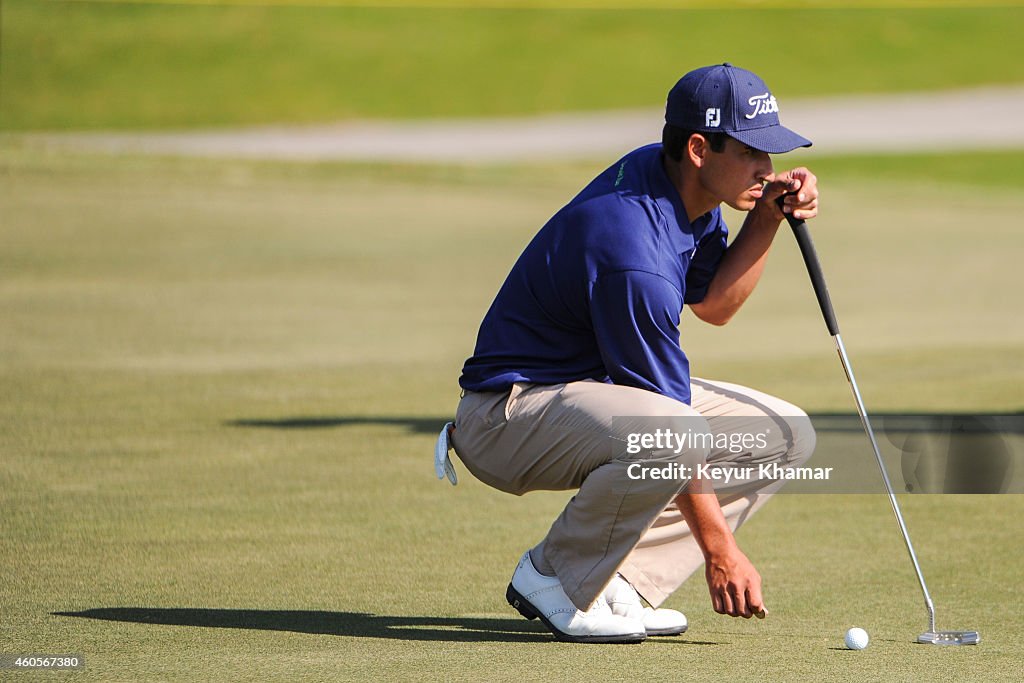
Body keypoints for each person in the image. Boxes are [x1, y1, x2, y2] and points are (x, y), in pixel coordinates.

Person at [435, 63, 819, 644]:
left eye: (769, 154)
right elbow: (666, 422)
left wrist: (766, 218)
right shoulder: (631, 253)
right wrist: (721, 549)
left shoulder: (677, 181)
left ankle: (620, 582)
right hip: (505, 417)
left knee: (783, 432)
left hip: (583, 398)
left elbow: (714, 303)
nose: (767, 171)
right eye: (751, 154)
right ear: (698, 148)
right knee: (676, 432)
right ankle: (556, 577)